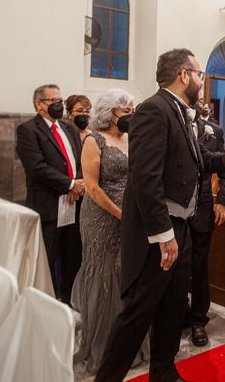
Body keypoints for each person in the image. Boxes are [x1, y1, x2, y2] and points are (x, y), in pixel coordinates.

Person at [95, 49, 225, 382]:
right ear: (184, 75)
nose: (203, 81)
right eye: (200, 74)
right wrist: (163, 235)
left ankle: (163, 372)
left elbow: (204, 158)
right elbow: (145, 178)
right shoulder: (153, 110)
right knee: (140, 311)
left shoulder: (180, 113)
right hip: (158, 233)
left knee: (173, 305)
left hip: (182, 226)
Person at [71, 89, 148, 375]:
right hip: (101, 217)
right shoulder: (94, 139)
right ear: (109, 111)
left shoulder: (129, 138)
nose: (130, 112)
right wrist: (121, 214)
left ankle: (126, 344)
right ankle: (102, 346)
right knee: (104, 274)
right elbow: (91, 187)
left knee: (124, 273)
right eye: (125, 108)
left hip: (128, 215)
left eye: (131, 107)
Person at [16, 84, 84, 304]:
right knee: (47, 257)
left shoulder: (69, 128)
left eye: (60, 101)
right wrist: (69, 184)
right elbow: (37, 167)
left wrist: (79, 184)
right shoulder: (28, 130)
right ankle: (47, 302)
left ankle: (70, 301)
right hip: (48, 204)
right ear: (39, 105)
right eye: (53, 101)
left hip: (74, 203)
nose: (59, 105)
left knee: (72, 256)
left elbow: (79, 158)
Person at [185, 105, 225, 347]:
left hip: (203, 208)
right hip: (173, 210)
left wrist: (223, 201)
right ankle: (176, 314)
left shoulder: (214, 131)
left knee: (200, 266)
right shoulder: (170, 125)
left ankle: (198, 321)